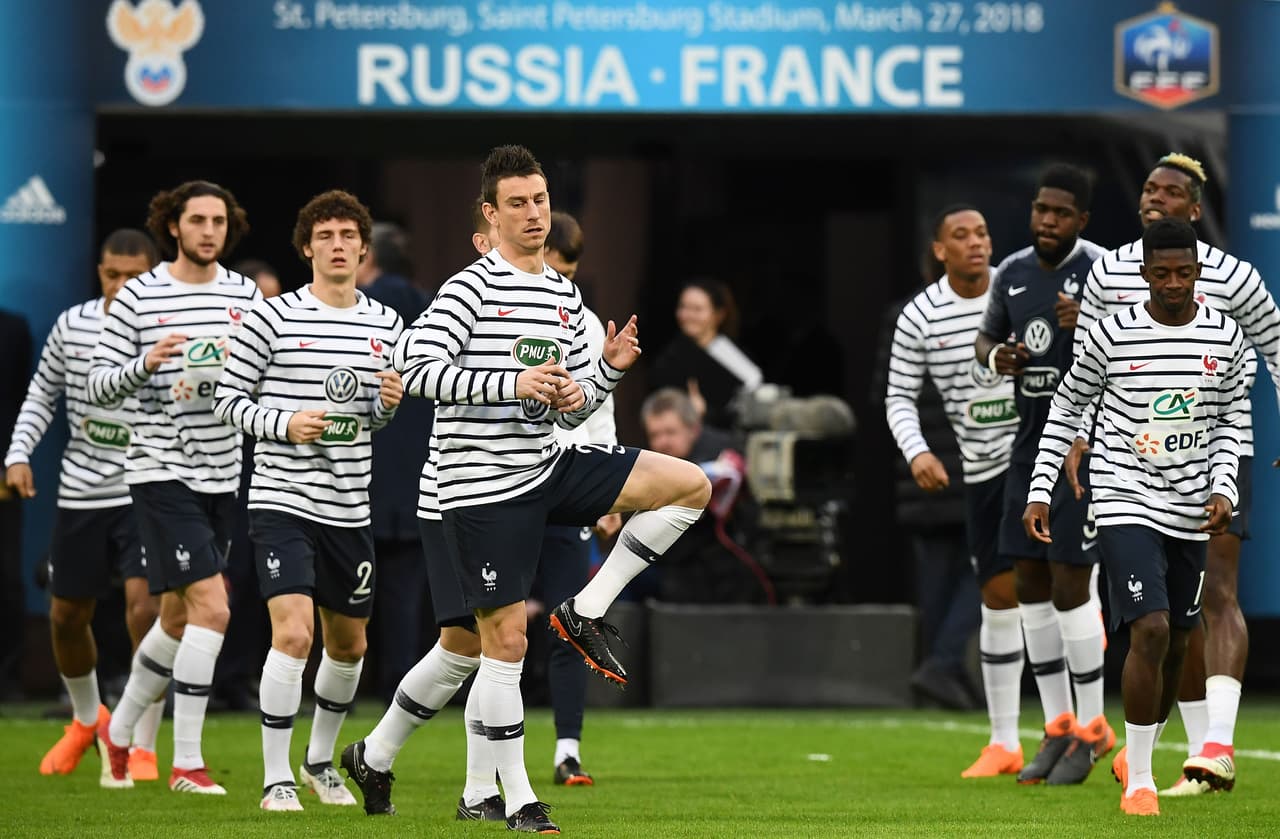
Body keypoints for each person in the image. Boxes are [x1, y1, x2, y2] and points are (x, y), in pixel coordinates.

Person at [358, 145, 708, 834]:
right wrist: (510, 384)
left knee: (688, 485)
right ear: (490, 214)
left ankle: (585, 609)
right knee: (492, 645)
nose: (533, 213)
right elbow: (416, 369)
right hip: (476, 491)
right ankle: (510, 796)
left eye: (541, 200)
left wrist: (603, 373)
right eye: (517, 203)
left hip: (546, 467)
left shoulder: (562, 293)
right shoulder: (469, 287)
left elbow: (571, 407)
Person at [1072, 153, 1280, 797]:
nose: (1154, 200)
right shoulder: (1109, 269)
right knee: (1167, 620)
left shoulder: (1235, 278)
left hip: (1214, 447)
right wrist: (1079, 438)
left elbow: (1275, 345)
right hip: (1129, 461)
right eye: (1147, 189)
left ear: (1195, 209)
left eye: (1170, 193)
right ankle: (1185, 755)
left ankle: (1216, 743)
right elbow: (1085, 363)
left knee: (1215, 593)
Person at [1024, 218, 1248, 816]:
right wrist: (1040, 489)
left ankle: (1137, 752)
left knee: (1178, 639)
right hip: (1124, 494)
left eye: (1184, 272)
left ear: (1198, 271)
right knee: (1147, 628)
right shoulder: (1111, 333)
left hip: (1189, 505)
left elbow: (1230, 423)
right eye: (1161, 272)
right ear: (1144, 273)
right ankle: (1141, 780)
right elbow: (1068, 404)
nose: (1173, 283)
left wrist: (1224, 486)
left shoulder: (1226, 338)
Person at [212, 190, 404, 812]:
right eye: (326, 236)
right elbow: (226, 402)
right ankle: (275, 779)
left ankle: (319, 761)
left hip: (349, 508)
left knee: (349, 646)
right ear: (306, 248)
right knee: (293, 635)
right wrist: (284, 423)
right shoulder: (271, 318)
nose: (339, 245)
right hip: (281, 501)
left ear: (364, 249)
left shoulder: (386, 325)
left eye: (349, 235)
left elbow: (374, 418)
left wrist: (386, 407)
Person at [89, 180, 260, 794]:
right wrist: (148, 363)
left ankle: (120, 730)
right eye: (197, 220)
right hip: (160, 470)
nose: (209, 230)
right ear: (174, 227)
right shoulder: (139, 296)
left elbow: (263, 374)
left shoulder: (244, 295)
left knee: (175, 616)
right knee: (213, 607)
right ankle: (186, 761)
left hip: (222, 472)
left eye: (218, 220)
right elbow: (97, 387)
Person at [340, 199, 507, 823]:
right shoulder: (455, 299)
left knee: (463, 644)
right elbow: (417, 370)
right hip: (457, 493)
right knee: (497, 639)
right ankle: (479, 793)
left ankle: (375, 754)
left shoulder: (547, 301)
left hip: (487, 492)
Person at [4, 229, 163, 778]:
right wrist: (18, 453)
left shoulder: (168, 328)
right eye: (111, 275)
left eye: (133, 276)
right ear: (99, 273)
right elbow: (42, 394)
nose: (120, 285)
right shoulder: (73, 325)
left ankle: (140, 743)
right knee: (67, 617)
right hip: (82, 491)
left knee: (148, 611)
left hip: (147, 486)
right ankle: (85, 720)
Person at [974, 164, 1113, 785]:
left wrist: (1089, 323)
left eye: (1060, 213)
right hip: (1028, 446)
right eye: (1040, 210)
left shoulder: (1106, 270)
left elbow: (1139, 345)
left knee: (1070, 584)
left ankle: (1094, 725)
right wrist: (998, 355)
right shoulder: (1012, 272)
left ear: (1082, 220)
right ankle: (1057, 727)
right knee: (1027, 578)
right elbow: (986, 343)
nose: (1046, 222)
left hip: (1088, 448)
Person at [886, 205, 1025, 776]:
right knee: (999, 594)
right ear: (940, 250)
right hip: (977, 471)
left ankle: (1084, 724)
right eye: (961, 235)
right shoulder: (920, 314)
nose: (976, 242)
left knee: (1064, 589)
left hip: (1039, 454)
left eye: (983, 232)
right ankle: (1005, 740)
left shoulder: (1020, 288)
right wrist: (918, 451)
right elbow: (896, 396)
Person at [534, 209, 622, 786]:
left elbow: (600, 407)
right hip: (500, 488)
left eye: (568, 271)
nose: (560, 279)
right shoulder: (489, 302)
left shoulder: (584, 321)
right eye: (552, 266)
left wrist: (610, 487)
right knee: (485, 630)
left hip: (566, 490)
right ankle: (483, 761)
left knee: (572, 619)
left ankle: (568, 751)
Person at [355, 222, 434, 702]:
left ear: (367, 260)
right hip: (419, 480)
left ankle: (342, 684)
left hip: (359, 478)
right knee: (407, 596)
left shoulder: (357, 312)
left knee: (346, 594)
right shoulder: (432, 310)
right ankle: (401, 687)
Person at [649, 279, 763, 428]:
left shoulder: (731, 349)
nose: (687, 315)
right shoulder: (669, 360)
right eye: (683, 307)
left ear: (719, 314)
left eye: (697, 309)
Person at [0, 307, 33, 701]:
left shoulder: (12, 327)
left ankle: (9, 676)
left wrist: (14, 458)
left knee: (7, 577)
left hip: (3, 476)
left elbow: (21, 400)